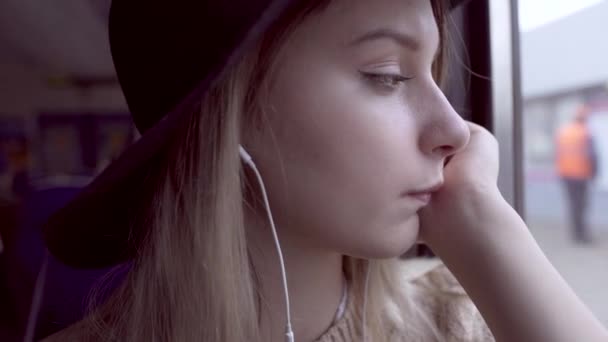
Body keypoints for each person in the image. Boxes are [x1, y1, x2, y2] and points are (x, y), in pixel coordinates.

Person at [40, 0, 608, 341]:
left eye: (432, 71)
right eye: (388, 74)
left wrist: (487, 225)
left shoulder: (467, 317)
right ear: (229, 117)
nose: (459, 132)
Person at [555, 105, 599, 243]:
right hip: (581, 175)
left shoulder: (563, 132)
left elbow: (557, 154)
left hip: (566, 175)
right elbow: (592, 156)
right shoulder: (585, 133)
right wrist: (594, 174)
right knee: (581, 205)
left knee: (572, 204)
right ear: (584, 118)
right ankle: (581, 235)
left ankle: (575, 233)